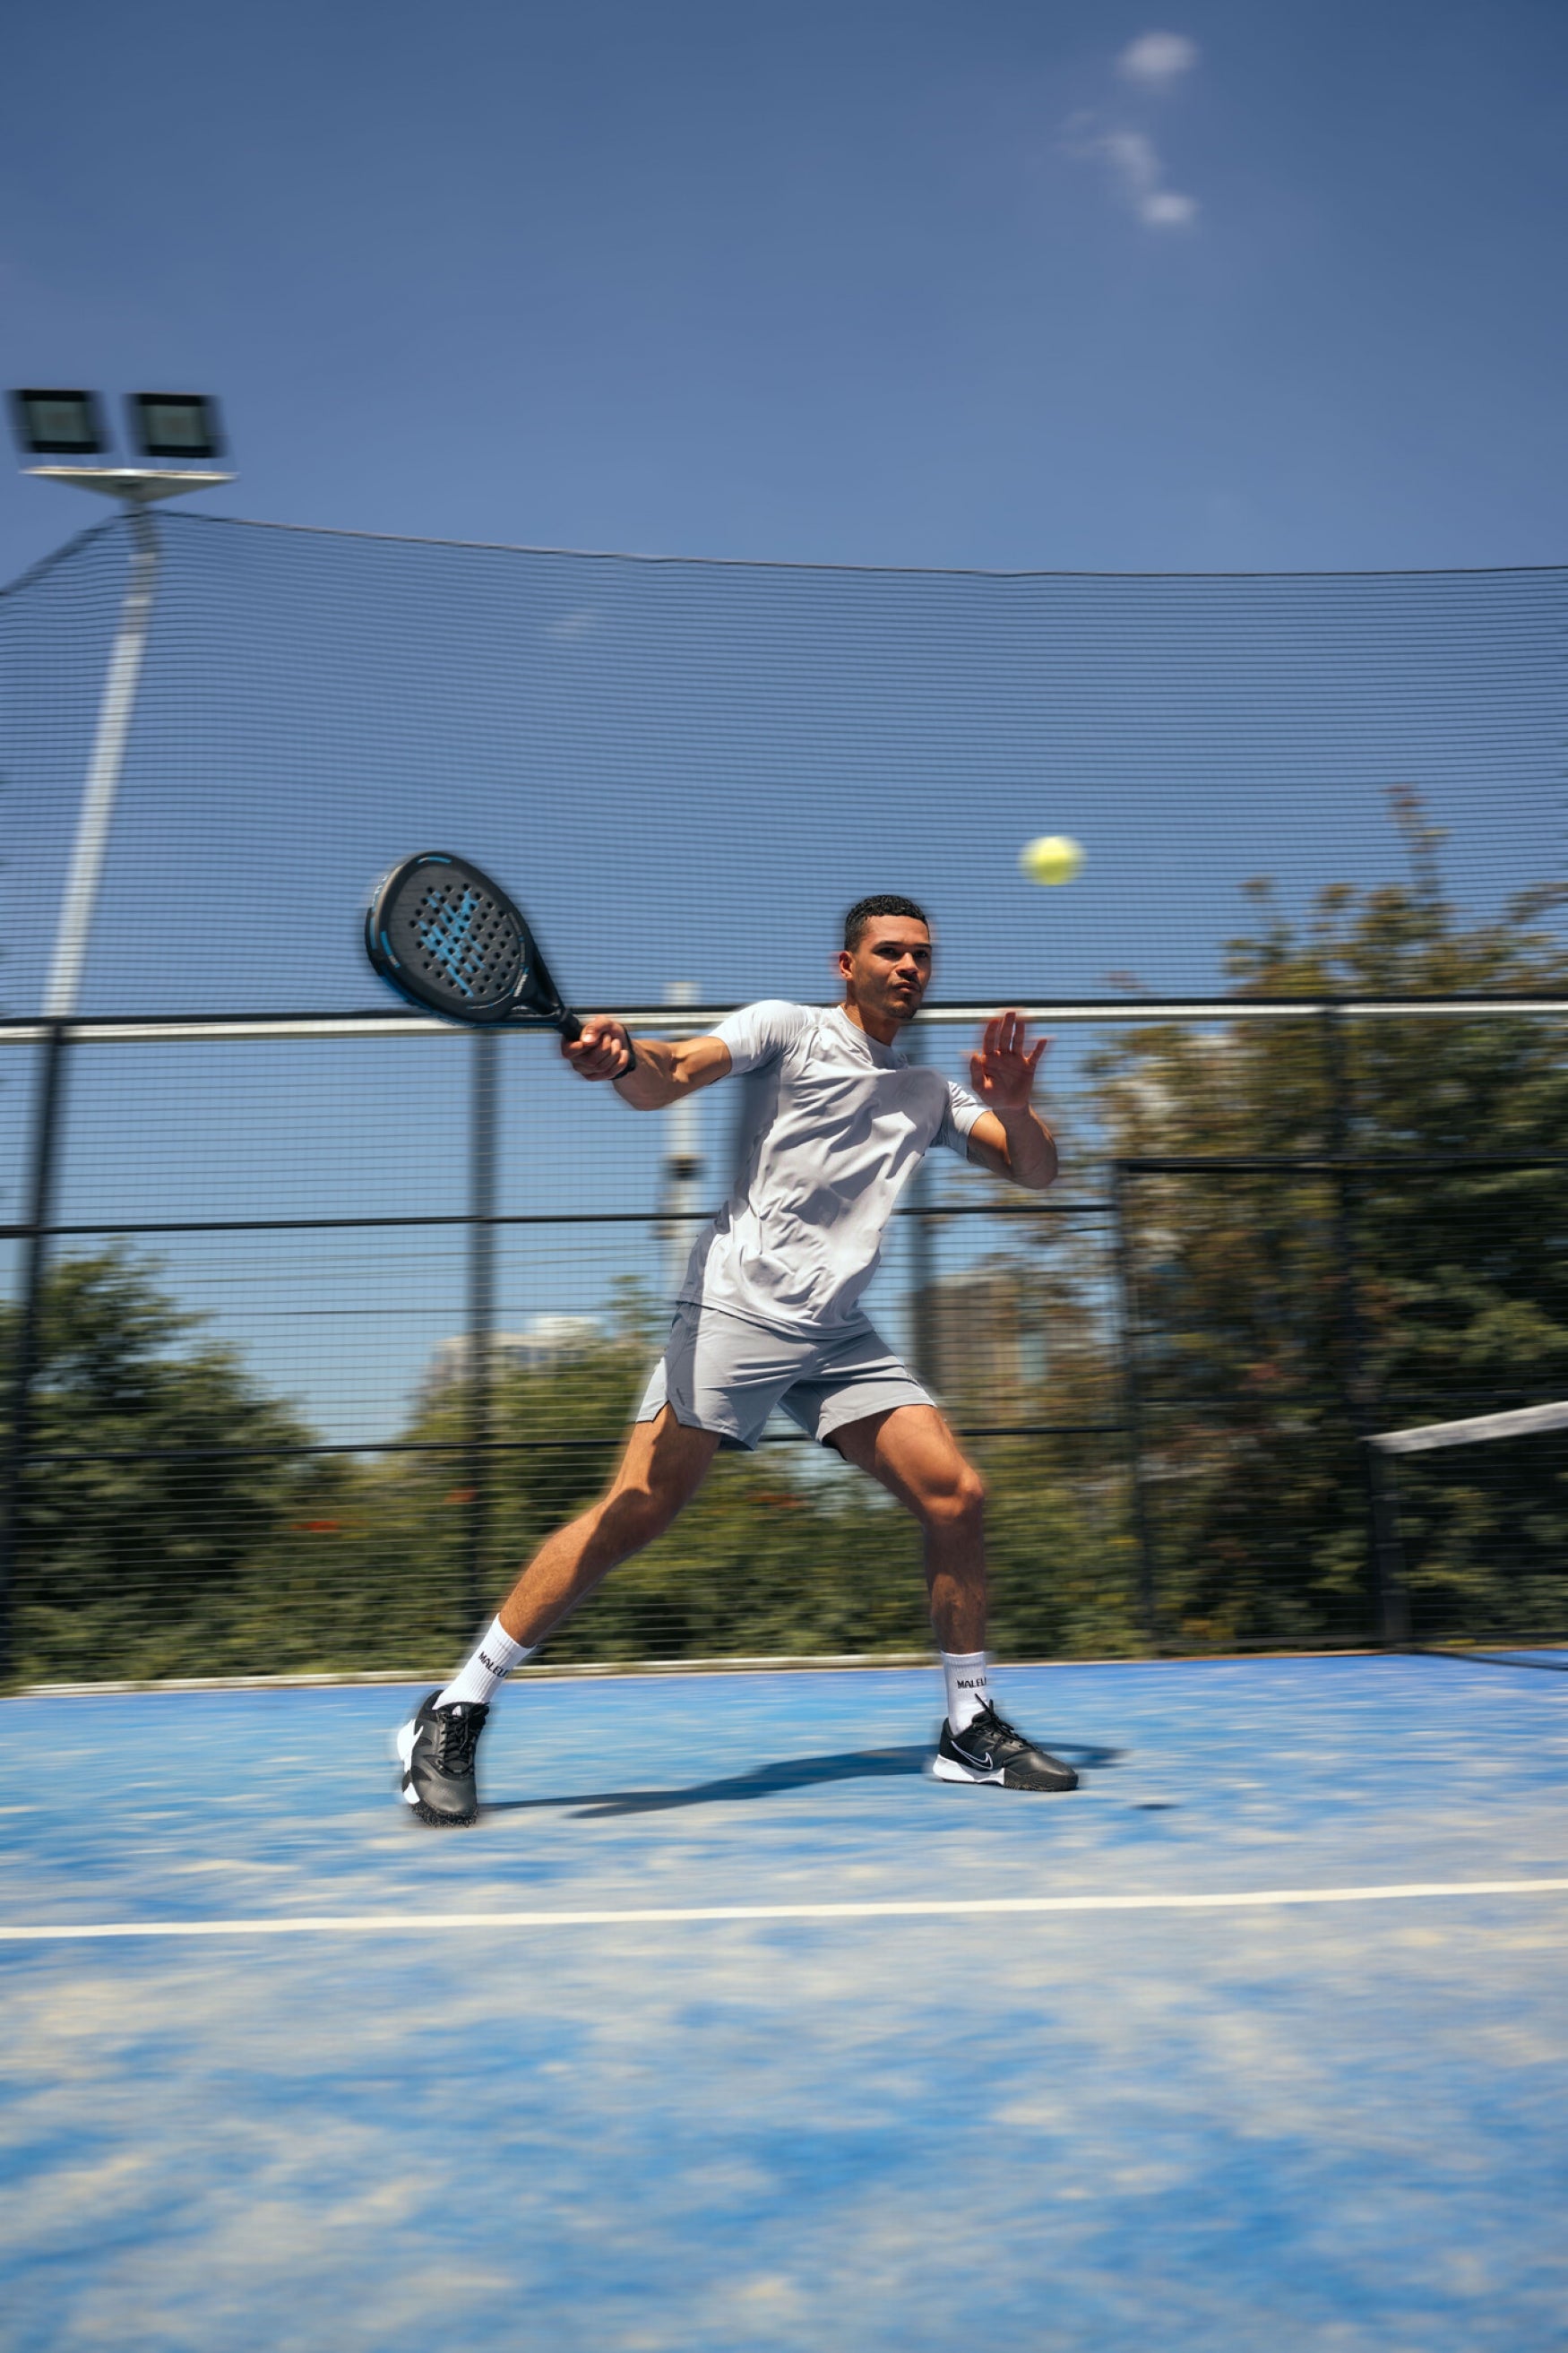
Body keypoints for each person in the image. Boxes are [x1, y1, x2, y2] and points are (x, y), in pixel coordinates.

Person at [398, 894, 1079, 1824]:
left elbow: (1035, 1170)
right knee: (637, 1509)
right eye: (889, 953)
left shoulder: (928, 1090)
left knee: (956, 1494)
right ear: (847, 965)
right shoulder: (784, 1028)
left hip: (834, 1330)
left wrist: (1015, 1108)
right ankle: (457, 1705)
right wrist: (617, 1059)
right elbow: (668, 1073)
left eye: (922, 955)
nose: (909, 968)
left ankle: (969, 1728)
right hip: (738, 1308)